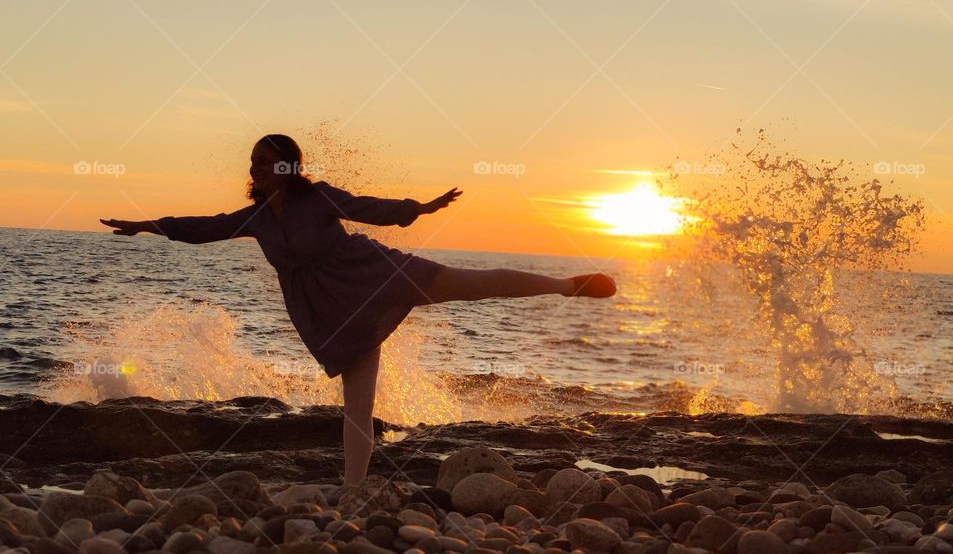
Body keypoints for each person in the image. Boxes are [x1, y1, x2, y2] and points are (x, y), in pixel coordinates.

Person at [100, 134, 616, 486]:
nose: (252, 166)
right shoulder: (255, 216)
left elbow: (369, 207)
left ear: (286, 166)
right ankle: (353, 490)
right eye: (252, 160)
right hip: (332, 311)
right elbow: (204, 226)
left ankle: (564, 286)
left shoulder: (318, 198)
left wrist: (420, 208)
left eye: (262, 159)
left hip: (376, 275)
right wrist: (149, 225)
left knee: (471, 285)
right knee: (357, 400)